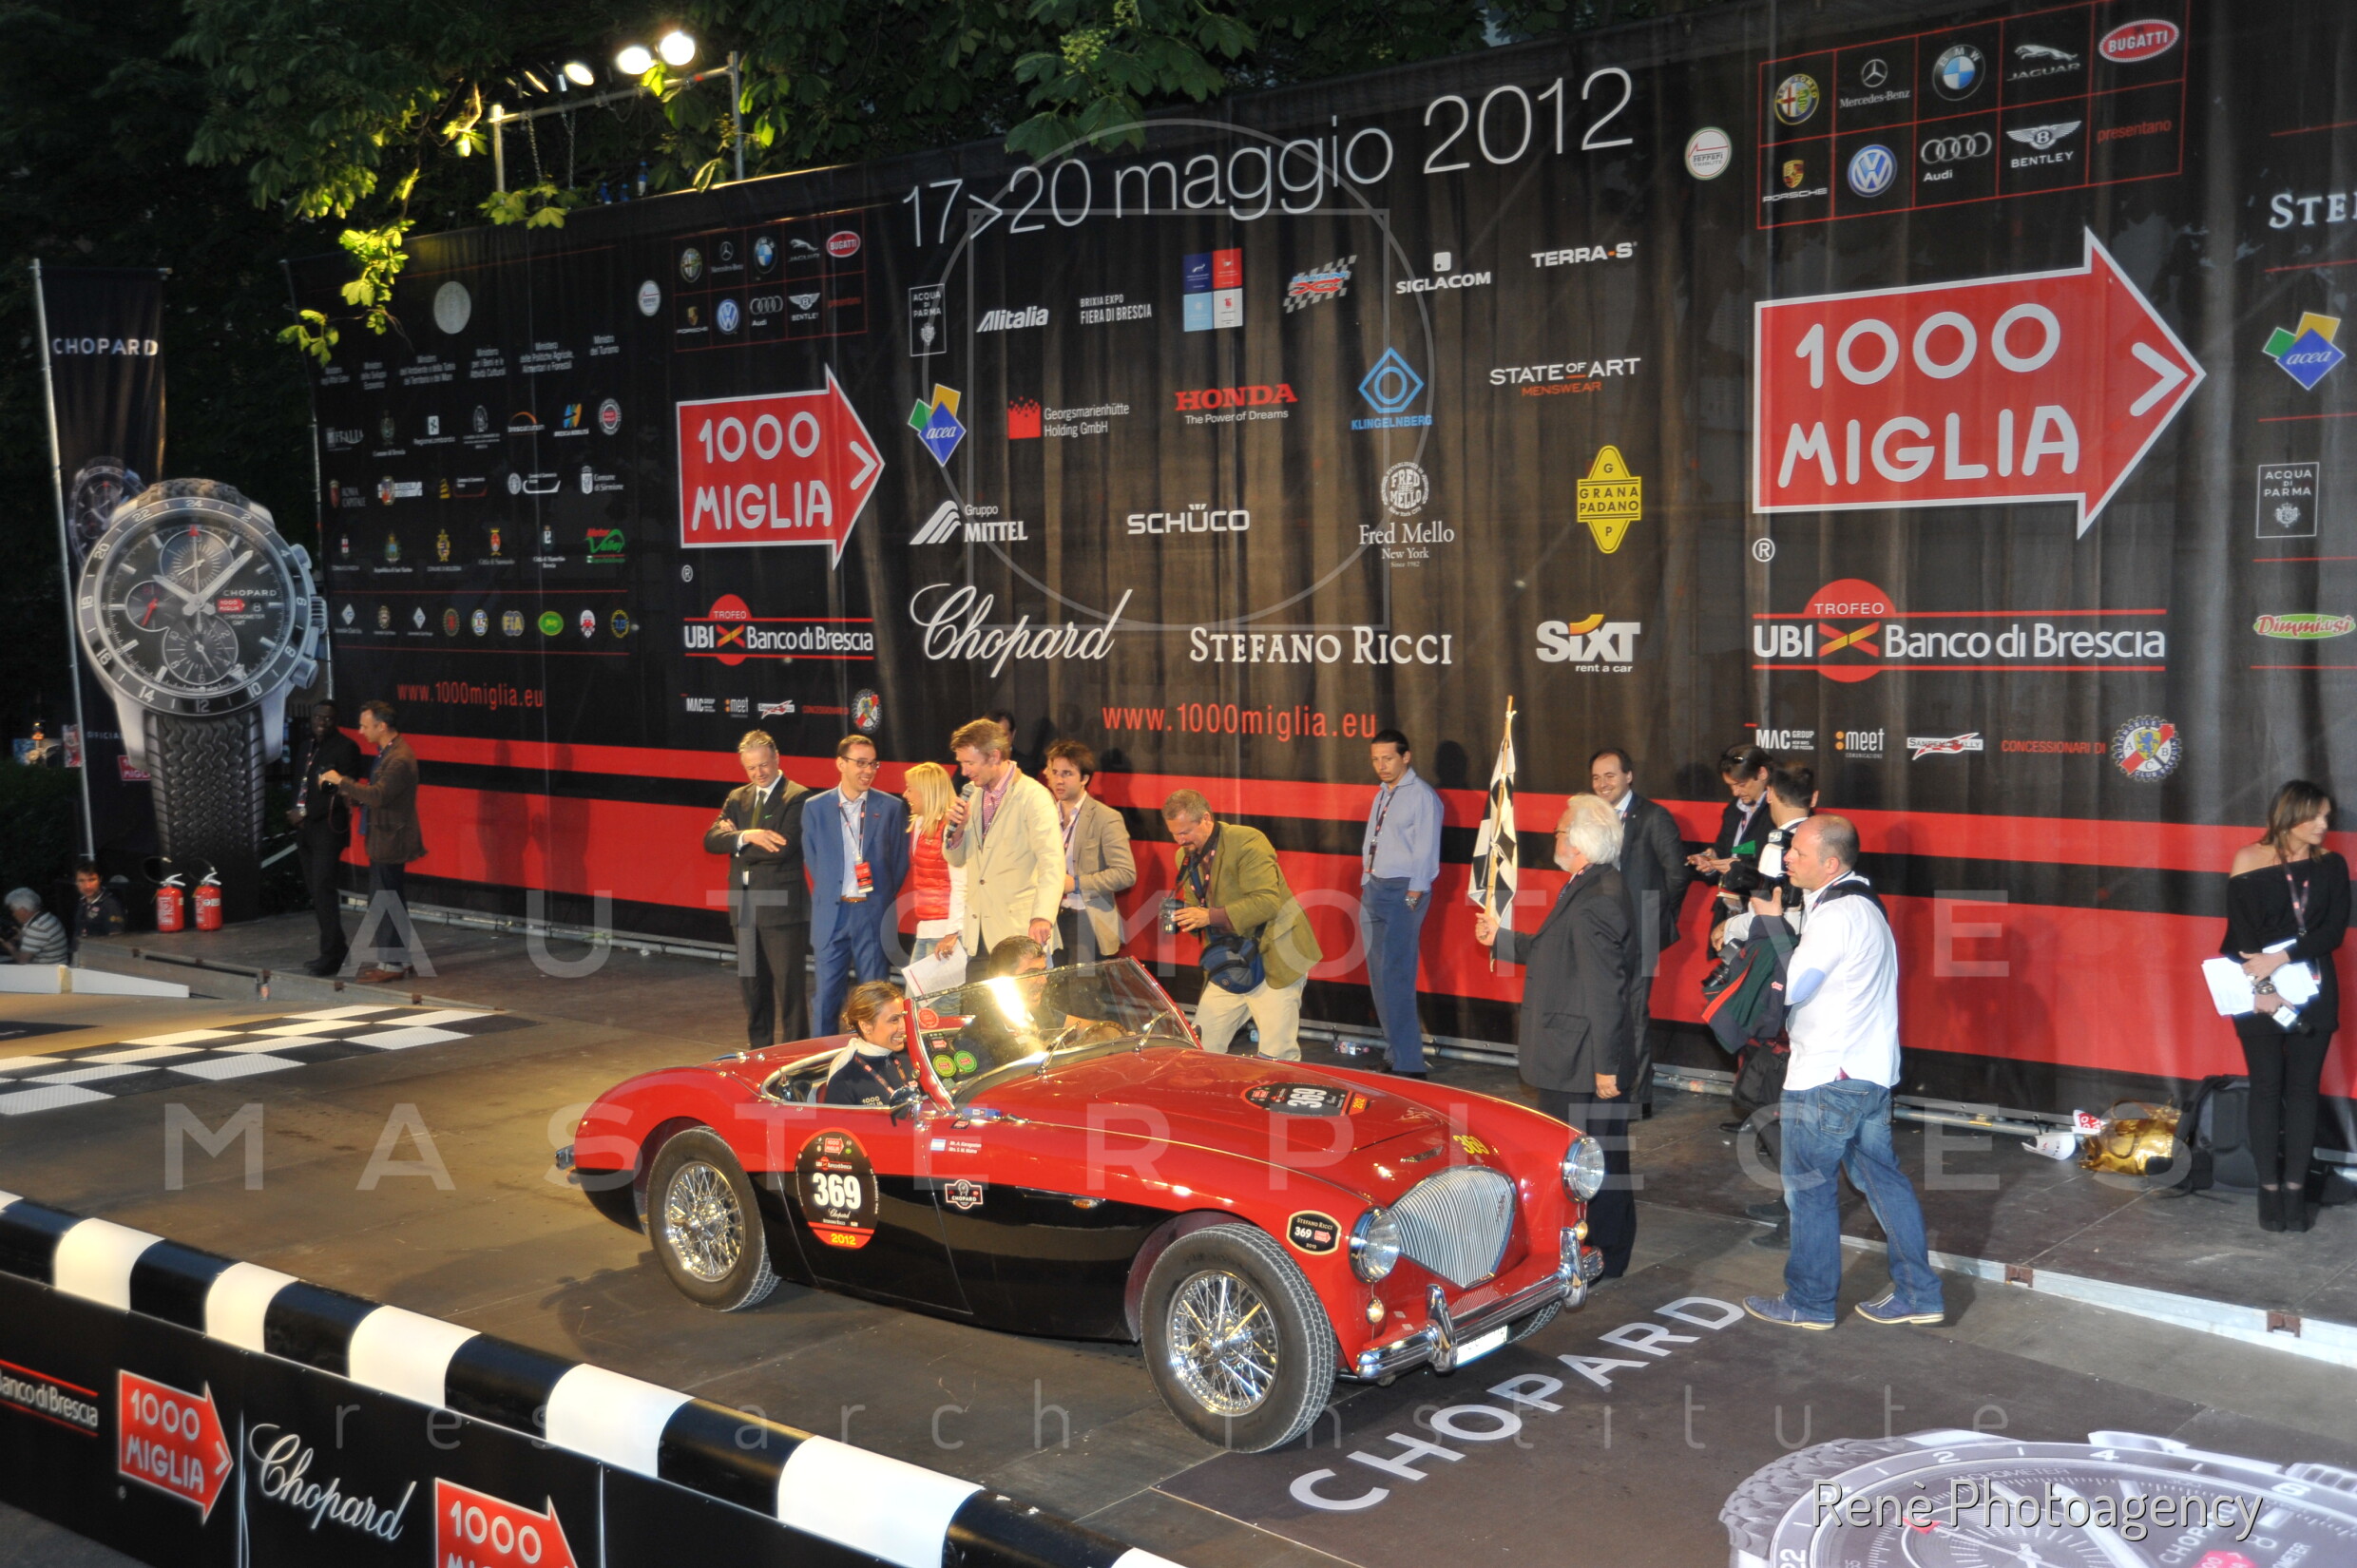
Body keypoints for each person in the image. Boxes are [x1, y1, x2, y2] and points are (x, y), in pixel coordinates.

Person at [1743, 815, 1945, 1330]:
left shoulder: (1836, 915)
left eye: (1799, 852)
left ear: (1831, 863)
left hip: (1827, 1077)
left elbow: (1795, 987)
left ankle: (1809, 1303)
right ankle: (1920, 1293)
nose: (1788, 858)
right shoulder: (1866, 907)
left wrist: (1771, 927)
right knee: (1884, 1183)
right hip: (1869, 1075)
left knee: (1810, 1192)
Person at [1473, 794, 1638, 1277]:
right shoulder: (1589, 885)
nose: (1555, 837)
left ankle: (1604, 1254)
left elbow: (1606, 989)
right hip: (1575, 1052)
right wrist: (1500, 939)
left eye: (1560, 831)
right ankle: (1602, 1250)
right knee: (1593, 1159)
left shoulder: (1596, 900)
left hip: (1581, 1059)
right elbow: (1554, 950)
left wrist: (1607, 1066)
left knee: (1592, 1164)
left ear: (1580, 844)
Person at [2225, 780, 2347, 1233]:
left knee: (2302, 1091)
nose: (2323, 825)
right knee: (2265, 1087)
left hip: (2312, 987)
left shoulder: (2332, 865)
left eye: (2327, 817)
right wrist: (2263, 986)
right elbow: (2241, 934)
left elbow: (2333, 932)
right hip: (2256, 990)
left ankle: (2295, 1191)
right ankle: (2269, 1190)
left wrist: (2282, 958)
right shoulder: (2247, 858)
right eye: (2315, 816)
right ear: (2288, 815)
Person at [1164, 789, 1325, 1061]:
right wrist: (1186, 918)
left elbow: (1267, 902)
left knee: (1276, 1056)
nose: (1180, 840)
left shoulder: (1247, 840)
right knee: (1201, 1048)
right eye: (1174, 834)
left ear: (1206, 818)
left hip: (1275, 956)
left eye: (1186, 832)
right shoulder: (1185, 856)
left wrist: (1208, 916)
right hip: (1231, 962)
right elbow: (1199, 908)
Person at [1589, 747, 1691, 1114]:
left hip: (1640, 928)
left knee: (1634, 1014)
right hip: (1599, 927)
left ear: (1629, 776)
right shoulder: (1591, 817)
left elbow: (1677, 875)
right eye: (1596, 777)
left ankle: (1637, 1098)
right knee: (1603, 1010)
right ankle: (1606, 1087)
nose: (1602, 784)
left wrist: (1655, 918)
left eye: (1610, 775)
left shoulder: (1653, 817)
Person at [704, 730, 811, 1049]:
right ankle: (759, 1052)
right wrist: (748, 836)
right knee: (752, 986)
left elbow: (782, 847)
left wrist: (735, 841)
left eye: (763, 765)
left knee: (789, 988)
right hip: (744, 907)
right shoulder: (737, 797)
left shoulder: (797, 796)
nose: (758, 773)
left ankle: (794, 1053)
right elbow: (710, 840)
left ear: (776, 758)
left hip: (782, 910)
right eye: (751, 768)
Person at [804, 734, 910, 1039]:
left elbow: (899, 863)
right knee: (826, 1000)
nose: (868, 771)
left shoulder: (891, 807)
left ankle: (876, 1055)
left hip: (872, 914)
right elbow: (813, 860)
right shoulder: (815, 807)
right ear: (841, 764)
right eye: (861, 763)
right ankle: (823, 1059)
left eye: (873, 764)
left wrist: (877, 899)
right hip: (832, 914)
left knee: (875, 999)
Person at [318, 698, 423, 984]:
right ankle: (400, 959)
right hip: (385, 835)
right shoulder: (389, 753)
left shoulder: (399, 758)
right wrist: (351, 794)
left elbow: (378, 795)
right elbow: (379, 795)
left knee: (384, 900)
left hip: (391, 838)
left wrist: (342, 781)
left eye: (365, 726)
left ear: (382, 726)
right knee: (390, 899)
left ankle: (392, 963)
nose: (361, 731)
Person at [1359, 729, 1443, 1078]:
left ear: (1405, 757)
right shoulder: (1382, 794)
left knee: (1397, 978)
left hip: (1404, 892)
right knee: (1380, 980)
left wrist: (1415, 892)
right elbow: (1374, 839)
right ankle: (1394, 1055)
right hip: (1374, 889)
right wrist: (1366, 879)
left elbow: (1426, 848)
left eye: (1388, 758)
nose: (1381, 765)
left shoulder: (1422, 796)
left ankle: (1410, 1064)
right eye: (1376, 759)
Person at [945, 717, 1063, 955]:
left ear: (994, 756)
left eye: (969, 763)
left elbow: (1052, 862)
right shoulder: (972, 794)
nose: (964, 771)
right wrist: (956, 833)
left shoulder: (1033, 796)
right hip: (976, 934)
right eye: (962, 763)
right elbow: (956, 860)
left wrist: (1042, 916)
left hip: (1019, 932)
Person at [289, 698, 363, 975]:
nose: (322, 722)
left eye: (328, 718)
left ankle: (332, 954)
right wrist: (294, 810)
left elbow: (342, 792)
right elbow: (299, 783)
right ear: (311, 718)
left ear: (336, 721)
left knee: (323, 890)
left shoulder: (346, 748)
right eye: (318, 717)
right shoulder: (305, 747)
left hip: (328, 829)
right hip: (304, 829)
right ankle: (335, 949)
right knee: (316, 892)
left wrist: (306, 811)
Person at [1044, 739, 1137, 964]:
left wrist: (1076, 883)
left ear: (1084, 778)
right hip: (1049, 918)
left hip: (1086, 917)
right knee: (1050, 983)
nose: (1058, 780)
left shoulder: (1106, 817)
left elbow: (1125, 873)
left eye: (1067, 773)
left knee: (1083, 984)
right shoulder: (1043, 815)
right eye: (1055, 772)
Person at [903, 760, 968, 964]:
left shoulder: (951, 829)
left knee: (935, 988)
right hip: (926, 928)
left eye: (910, 789)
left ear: (926, 792)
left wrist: (953, 932)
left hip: (946, 933)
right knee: (915, 986)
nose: (905, 795)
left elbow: (961, 884)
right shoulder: (919, 825)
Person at [1688, 743, 1773, 889]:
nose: (1735, 792)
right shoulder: (1733, 810)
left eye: (1741, 784)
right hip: (1730, 900)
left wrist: (1738, 869)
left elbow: (1777, 869)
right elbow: (1724, 854)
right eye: (1730, 785)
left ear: (1762, 773)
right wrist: (1712, 863)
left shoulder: (1780, 810)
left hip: (1762, 899)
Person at [820, 980, 916, 1106]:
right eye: (894, 1020)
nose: (904, 1027)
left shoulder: (914, 1057)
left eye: (904, 1016)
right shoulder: (844, 1080)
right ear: (865, 1026)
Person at [67, 860, 125, 959]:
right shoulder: (82, 901)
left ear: (100, 879)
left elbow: (116, 939)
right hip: (80, 956)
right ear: (76, 882)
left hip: (99, 960)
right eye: (81, 881)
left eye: (91, 880)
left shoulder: (110, 904)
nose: (87, 886)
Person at [3, 889, 67, 966]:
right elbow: (40, 940)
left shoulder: (37, 927)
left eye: (13, 910)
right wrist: (21, 936)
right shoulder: (48, 917)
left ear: (23, 910)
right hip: (57, 966)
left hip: (47, 971)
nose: (13, 914)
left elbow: (22, 961)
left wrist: (10, 947)